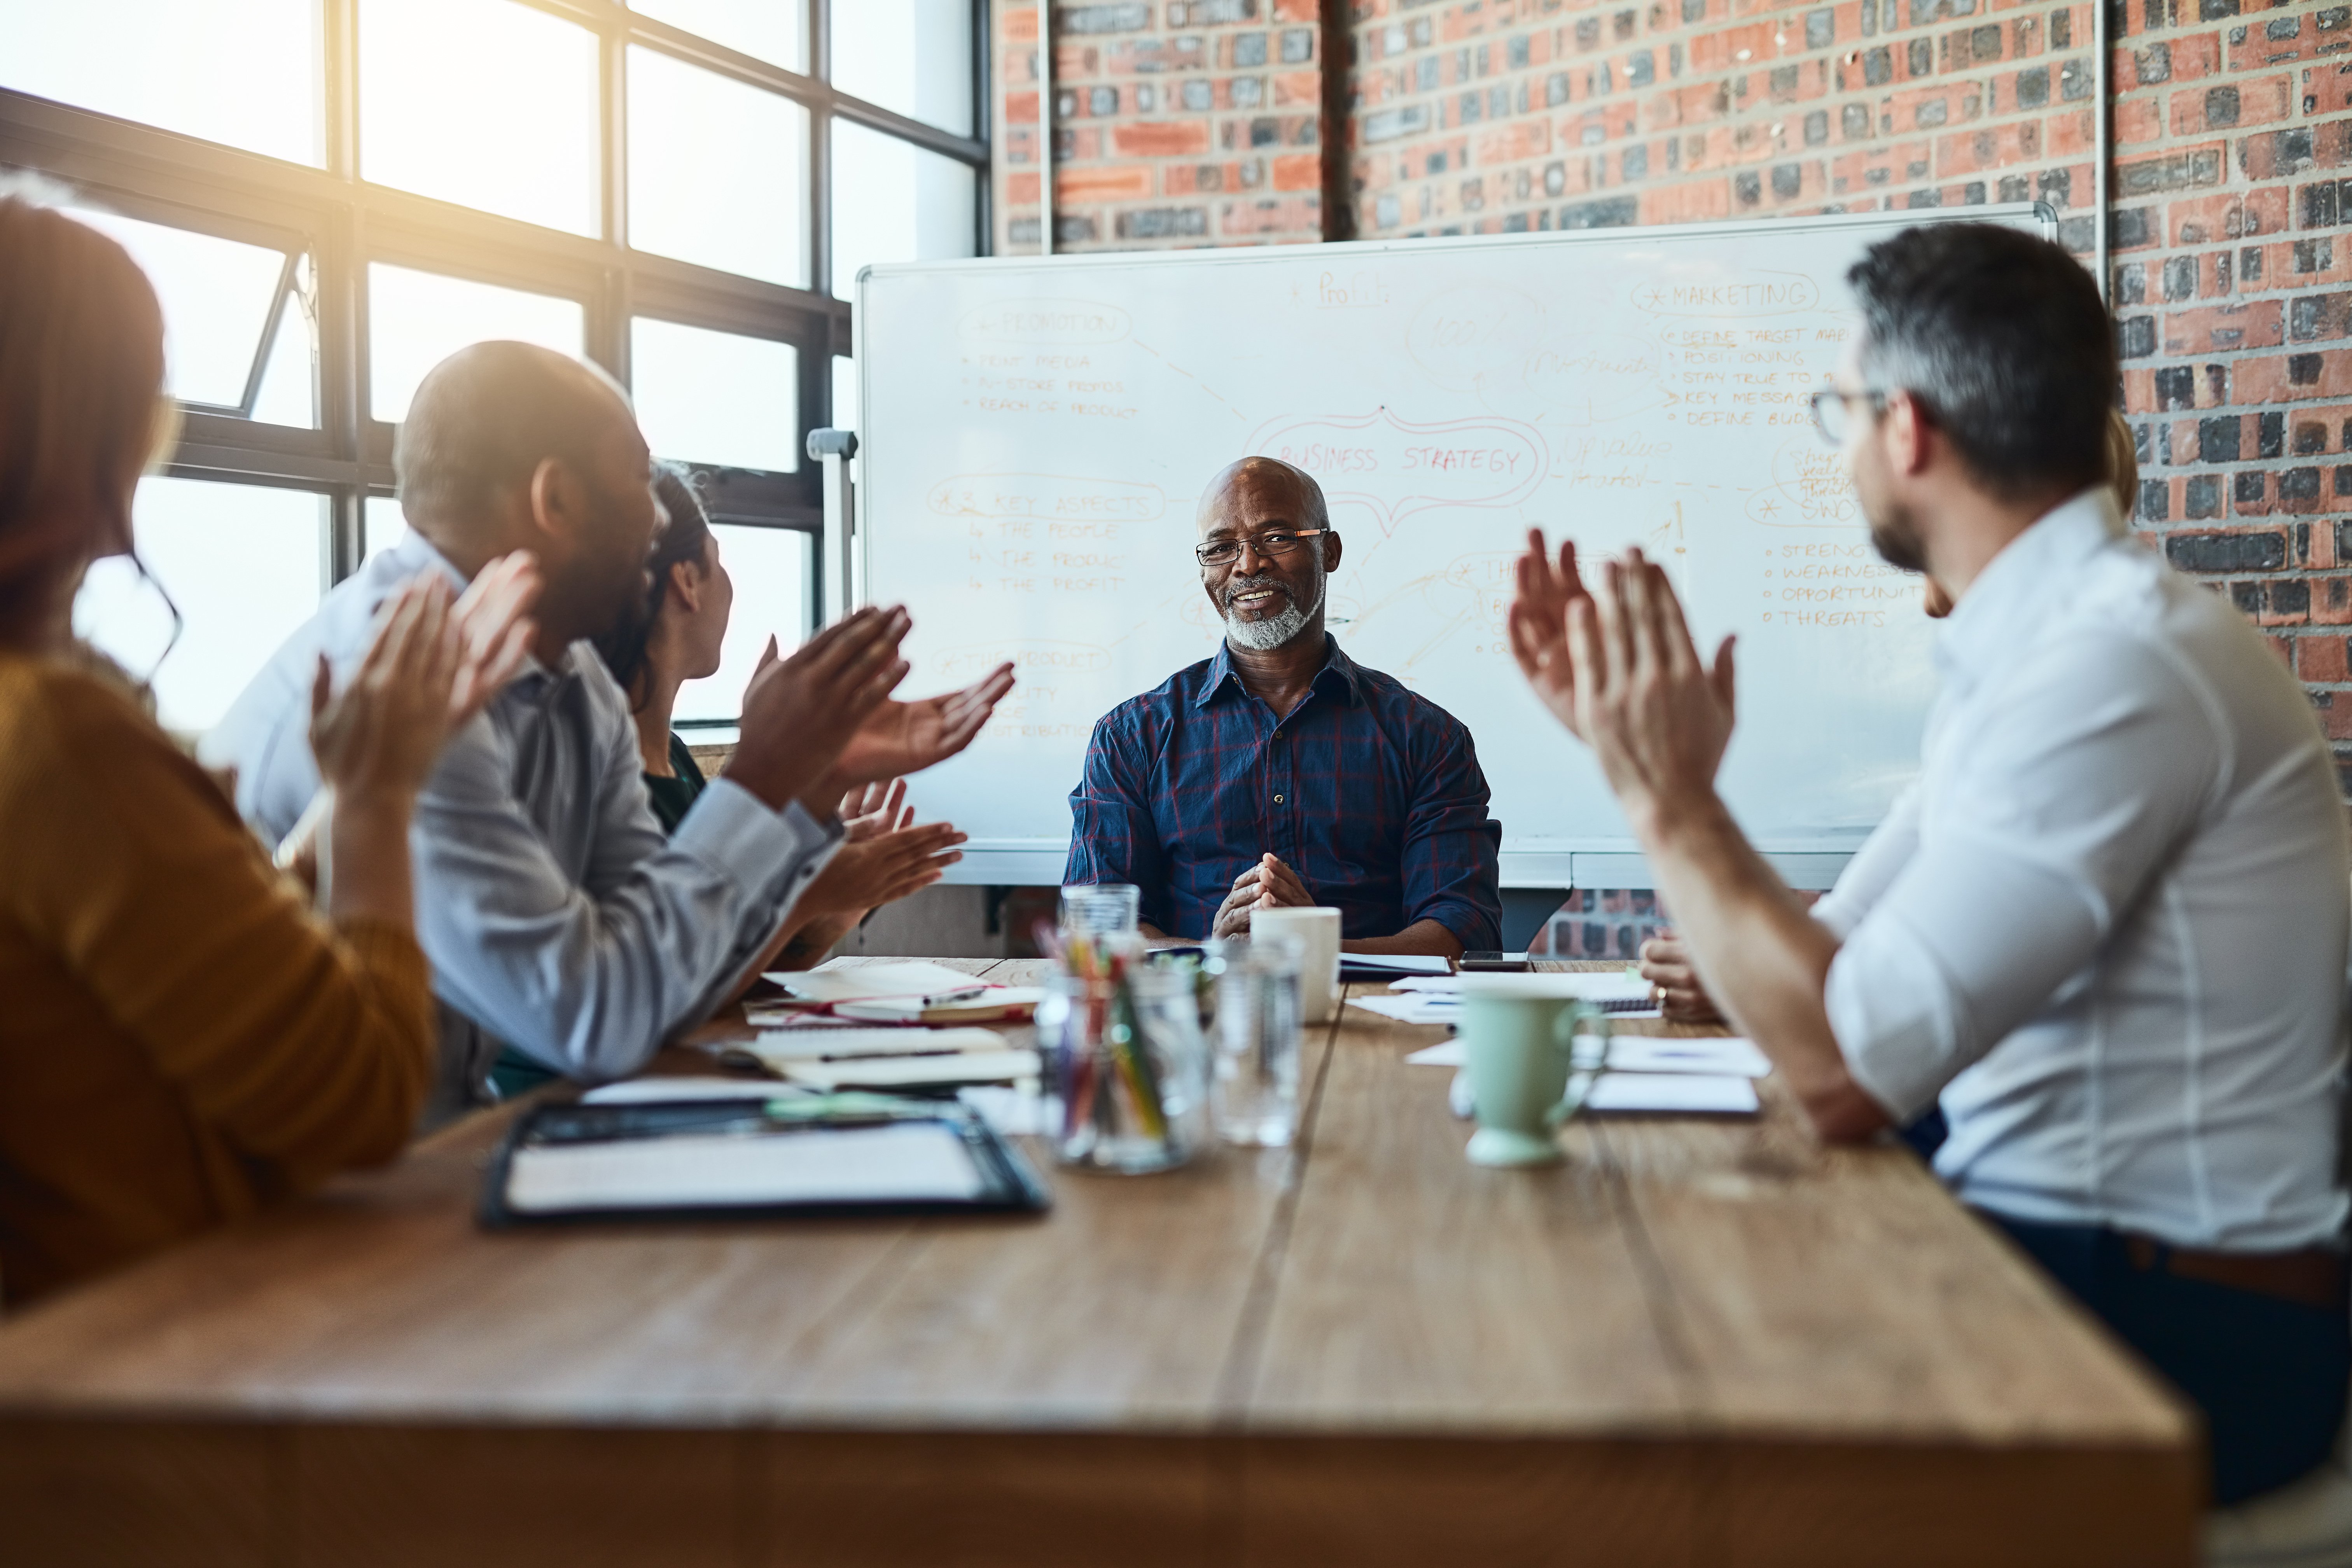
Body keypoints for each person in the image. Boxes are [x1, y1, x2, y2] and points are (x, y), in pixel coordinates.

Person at [1508, 221, 2349, 1507]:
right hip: (2055, 1263)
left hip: (2171, 1335)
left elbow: (1844, 1069)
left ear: (1904, 429)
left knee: (1632, 1398)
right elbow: (1835, 983)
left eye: (1836, 410)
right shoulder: (2031, 658)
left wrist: (1665, 795)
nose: (1839, 444)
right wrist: (1649, 779)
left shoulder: (2111, 667)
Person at [208, 342, 1014, 1123]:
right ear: (554, 501)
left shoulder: (573, 677)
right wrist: (765, 777)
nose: (659, 512)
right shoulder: (399, 689)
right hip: (304, 1202)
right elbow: (597, 1020)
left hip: (450, 1147)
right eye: (637, 478)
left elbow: (670, 972)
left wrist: (801, 784)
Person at [0, 184, 536, 1303]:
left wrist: (355, 785)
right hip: (148, 1382)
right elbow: (360, 1098)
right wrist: (386, 800)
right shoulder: (60, 740)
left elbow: (206, 970)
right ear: (91, 450)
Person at [1642, 404, 2144, 1011]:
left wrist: (1676, 799)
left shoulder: (2092, 694)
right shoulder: (1983, 693)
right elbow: (1852, 925)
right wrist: (1745, 965)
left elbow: (1917, 988)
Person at [1065, 456, 1501, 956]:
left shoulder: (1426, 737)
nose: (1248, 565)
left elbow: (1465, 924)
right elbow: (1095, 922)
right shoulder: (1132, 737)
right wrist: (1211, 955)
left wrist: (1320, 948)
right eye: (1221, 547)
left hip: (1375, 1018)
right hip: (1193, 1015)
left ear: (1329, 551)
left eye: (1276, 538)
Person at [588, 467, 969, 958]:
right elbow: (672, 988)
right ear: (686, 582)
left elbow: (738, 977)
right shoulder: (610, 781)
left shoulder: (676, 759)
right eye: (718, 561)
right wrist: (804, 895)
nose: (730, 587)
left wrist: (822, 918)